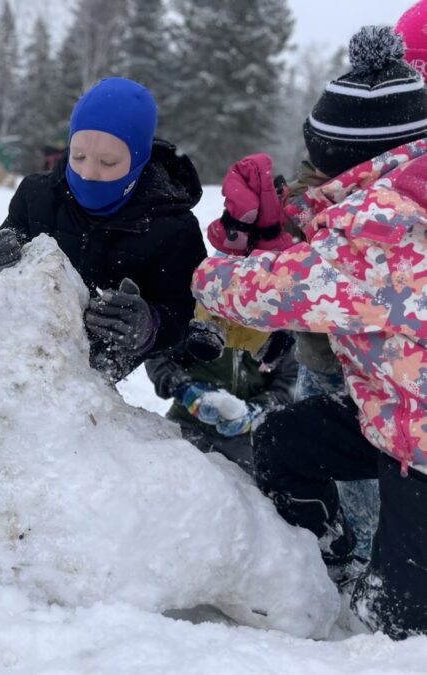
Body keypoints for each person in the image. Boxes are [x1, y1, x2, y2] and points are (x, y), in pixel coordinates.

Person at [191, 27, 427, 639]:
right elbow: (334, 219)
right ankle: (326, 555)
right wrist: (273, 220)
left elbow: (265, 293)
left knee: (397, 628)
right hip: (395, 414)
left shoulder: (384, 237)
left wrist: (213, 268)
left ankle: (388, 621)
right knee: (285, 444)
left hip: (420, 453)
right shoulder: (399, 194)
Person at [0, 77, 207, 382]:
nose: (88, 172)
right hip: (17, 355)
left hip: (93, 381)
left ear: (139, 158)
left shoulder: (174, 229)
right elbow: (12, 235)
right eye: (78, 156)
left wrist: (149, 326)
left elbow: (184, 314)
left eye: (108, 161)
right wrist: (2, 256)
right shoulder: (36, 195)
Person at [145, 312, 297, 473]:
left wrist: (257, 411)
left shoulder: (281, 322)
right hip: (185, 424)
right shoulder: (200, 308)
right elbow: (157, 354)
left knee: (248, 493)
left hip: (248, 441)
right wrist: (185, 390)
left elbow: (291, 379)